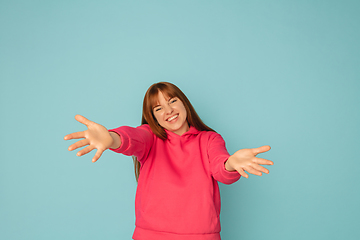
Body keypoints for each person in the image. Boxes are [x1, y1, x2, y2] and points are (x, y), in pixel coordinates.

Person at [64, 82, 273, 240]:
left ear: (184, 103)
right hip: (151, 235)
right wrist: (111, 138)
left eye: (172, 101)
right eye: (158, 108)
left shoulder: (210, 139)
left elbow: (220, 168)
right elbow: (132, 138)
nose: (168, 110)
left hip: (201, 235)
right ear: (153, 117)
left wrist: (231, 163)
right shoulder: (150, 137)